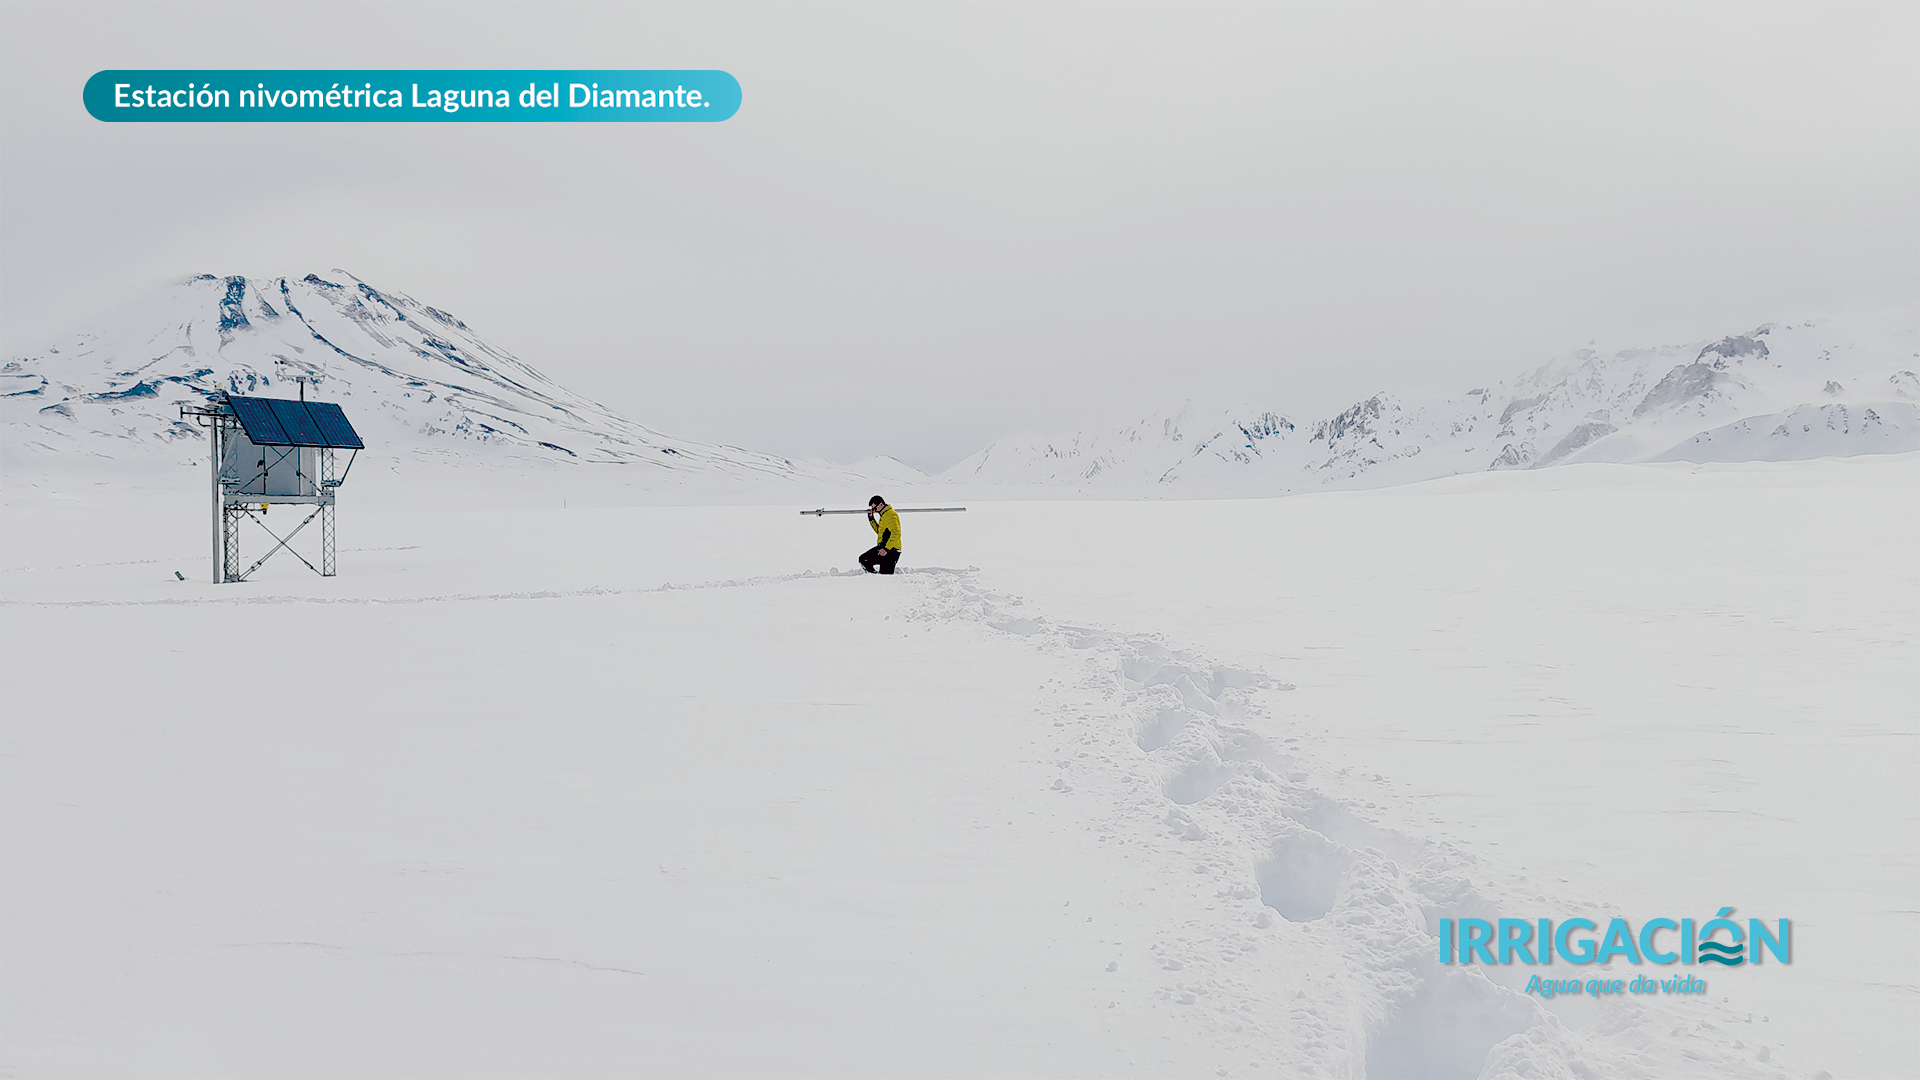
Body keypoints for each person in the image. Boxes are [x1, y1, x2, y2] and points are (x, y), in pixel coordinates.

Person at [859, 495, 902, 574]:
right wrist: (871, 519)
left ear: (881, 504)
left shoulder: (890, 515)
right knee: (864, 560)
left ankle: (877, 579)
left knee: (885, 576)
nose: (874, 510)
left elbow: (896, 533)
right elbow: (880, 532)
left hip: (891, 550)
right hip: (885, 548)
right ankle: (875, 578)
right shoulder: (884, 515)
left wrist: (886, 549)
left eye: (875, 508)